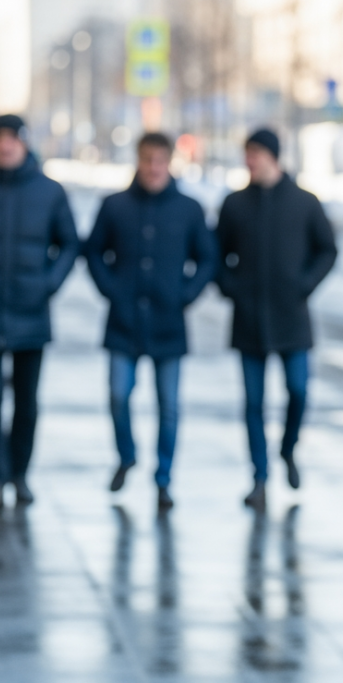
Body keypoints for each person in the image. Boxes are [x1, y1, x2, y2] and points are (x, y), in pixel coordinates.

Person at [83, 132, 218, 510]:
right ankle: (126, 455)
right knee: (117, 395)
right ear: (138, 162)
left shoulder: (189, 209)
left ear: (170, 163)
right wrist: (110, 288)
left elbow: (207, 258)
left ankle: (163, 478)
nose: (154, 168)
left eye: (160, 161)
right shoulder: (114, 206)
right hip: (123, 322)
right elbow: (93, 251)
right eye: (147, 161)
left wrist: (185, 294)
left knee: (169, 407)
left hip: (168, 323)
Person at [0, 114, 80, 510]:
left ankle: (19, 474)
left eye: (12, 139)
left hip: (31, 312)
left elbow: (69, 244)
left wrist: (47, 284)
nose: (5, 146)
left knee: (27, 400)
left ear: (25, 144)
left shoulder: (50, 192)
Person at [216, 128, 337, 508]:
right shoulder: (234, 204)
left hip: (292, 318)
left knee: (298, 391)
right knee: (253, 403)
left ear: (273, 156)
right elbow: (215, 254)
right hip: (249, 318)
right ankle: (259, 477)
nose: (249, 161)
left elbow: (328, 249)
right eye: (247, 154)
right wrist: (231, 287)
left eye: (256, 154)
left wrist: (305, 284)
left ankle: (288, 448)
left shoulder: (304, 202)